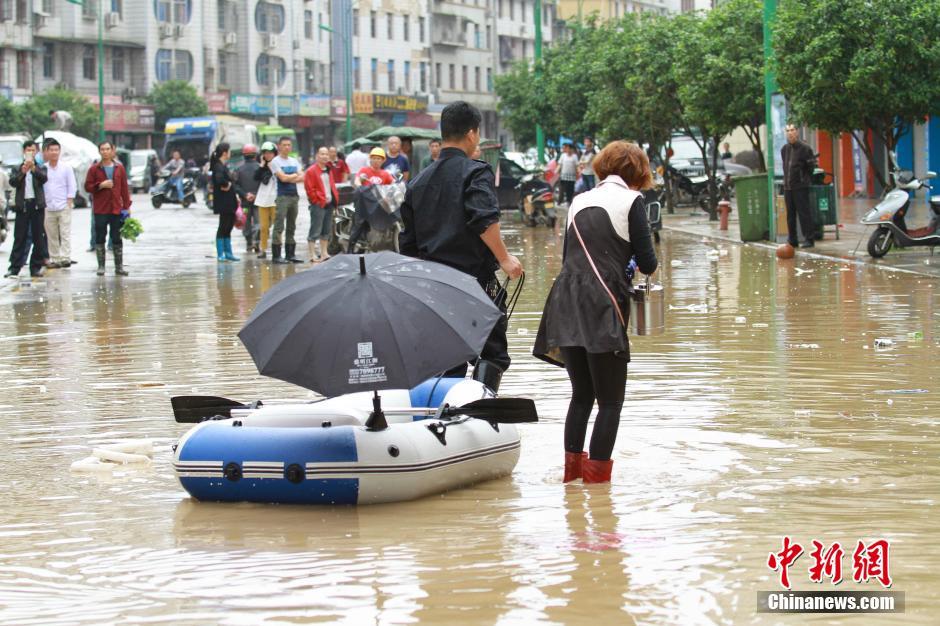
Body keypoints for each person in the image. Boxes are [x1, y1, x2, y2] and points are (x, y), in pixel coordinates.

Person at [533, 141, 658, 484]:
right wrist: (629, 262)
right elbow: (648, 263)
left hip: (565, 301)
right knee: (610, 403)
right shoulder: (633, 201)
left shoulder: (578, 200)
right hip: (601, 305)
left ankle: (572, 480)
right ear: (638, 172)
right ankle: (598, 489)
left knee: (581, 396)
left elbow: (569, 258)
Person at [400, 101, 524, 392]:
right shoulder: (475, 172)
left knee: (448, 357)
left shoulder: (417, 183)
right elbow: (484, 219)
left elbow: (408, 244)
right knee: (492, 353)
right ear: (471, 134)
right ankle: (479, 407)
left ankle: (445, 411)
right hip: (474, 283)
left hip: (434, 287)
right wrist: (504, 258)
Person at [84, 141, 131, 276]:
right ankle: (101, 266)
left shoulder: (119, 168)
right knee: (100, 236)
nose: (105, 152)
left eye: (107, 149)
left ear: (112, 150)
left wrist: (127, 206)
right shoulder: (94, 169)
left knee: (117, 237)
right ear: (99, 151)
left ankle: (119, 267)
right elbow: (87, 187)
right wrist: (101, 185)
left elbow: (124, 188)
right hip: (100, 209)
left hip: (116, 208)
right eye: (102, 149)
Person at [6, 141, 48, 278]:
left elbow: (44, 178)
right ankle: (14, 267)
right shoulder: (18, 167)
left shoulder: (41, 167)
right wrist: (23, 172)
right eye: (28, 150)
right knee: (20, 237)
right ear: (24, 151)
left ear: (36, 152)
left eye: (33, 150)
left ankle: (35, 267)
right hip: (22, 205)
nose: (31, 152)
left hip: (37, 205)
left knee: (38, 237)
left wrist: (33, 169)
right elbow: (13, 182)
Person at [41, 138, 77, 269]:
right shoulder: (43, 168)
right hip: (48, 206)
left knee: (65, 233)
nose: (54, 152)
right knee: (51, 234)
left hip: (63, 205)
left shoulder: (66, 167)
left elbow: (72, 184)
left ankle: (65, 257)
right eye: (51, 150)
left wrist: (69, 200)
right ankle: (55, 258)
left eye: (56, 150)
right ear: (46, 152)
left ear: (59, 151)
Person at [269, 136, 305, 264]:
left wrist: (290, 177)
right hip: (281, 196)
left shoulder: (294, 161)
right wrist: (294, 176)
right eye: (284, 145)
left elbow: (303, 177)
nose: (287, 147)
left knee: (292, 225)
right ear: (279, 146)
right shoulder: (275, 162)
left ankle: (290, 254)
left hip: (294, 196)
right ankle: (276, 255)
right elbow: (282, 178)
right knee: (279, 225)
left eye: (289, 145)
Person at [781, 124, 817, 248]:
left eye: (792, 130)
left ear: (797, 132)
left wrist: (804, 180)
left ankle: (809, 239)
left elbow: (811, 167)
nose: (790, 133)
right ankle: (792, 239)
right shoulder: (784, 149)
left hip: (800, 187)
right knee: (790, 215)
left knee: (804, 213)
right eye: (787, 130)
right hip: (788, 187)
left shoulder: (805, 149)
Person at [304, 146, 339, 263]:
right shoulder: (311, 171)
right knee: (315, 228)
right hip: (318, 204)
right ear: (317, 156)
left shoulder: (329, 170)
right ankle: (312, 254)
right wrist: (317, 200)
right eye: (322, 154)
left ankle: (324, 253)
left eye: (326, 154)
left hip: (329, 203)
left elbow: (332, 186)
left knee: (326, 229)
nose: (325, 156)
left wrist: (335, 201)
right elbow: (309, 189)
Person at [209, 143, 239, 262]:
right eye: (229, 151)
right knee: (223, 226)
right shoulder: (218, 166)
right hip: (224, 202)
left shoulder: (222, 165)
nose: (230, 153)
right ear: (225, 153)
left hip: (229, 201)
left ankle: (228, 252)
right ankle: (221, 253)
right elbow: (219, 180)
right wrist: (227, 184)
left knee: (228, 226)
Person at [253, 142, 279, 259]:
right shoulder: (262, 167)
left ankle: (277, 249)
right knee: (263, 227)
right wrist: (262, 165)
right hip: (263, 199)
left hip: (276, 199)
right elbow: (255, 177)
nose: (268, 155)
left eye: (270, 153)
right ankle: (263, 249)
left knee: (277, 226)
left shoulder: (278, 165)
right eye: (265, 153)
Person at [234, 143, 261, 254]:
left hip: (245, 202)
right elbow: (264, 185)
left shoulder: (238, 169)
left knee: (246, 223)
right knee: (259, 223)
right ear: (255, 155)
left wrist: (245, 195)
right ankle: (256, 242)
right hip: (259, 201)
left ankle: (249, 243)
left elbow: (236, 186)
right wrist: (255, 195)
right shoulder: (260, 168)